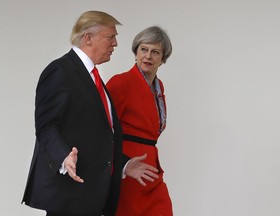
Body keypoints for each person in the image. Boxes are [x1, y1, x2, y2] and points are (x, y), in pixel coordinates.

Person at [22, 11, 159, 216]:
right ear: (88, 38)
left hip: (92, 197)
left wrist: (124, 164)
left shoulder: (94, 78)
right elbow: (46, 126)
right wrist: (63, 157)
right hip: (70, 196)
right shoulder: (60, 70)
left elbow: (99, 136)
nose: (115, 44)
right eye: (110, 37)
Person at [106, 26, 173, 216]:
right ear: (136, 52)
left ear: (163, 58)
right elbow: (104, 130)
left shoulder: (158, 86)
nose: (148, 56)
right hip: (129, 170)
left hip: (152, 170)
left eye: (155, 52)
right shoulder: (121, 82)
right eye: (144, 49)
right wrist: (122, 164)